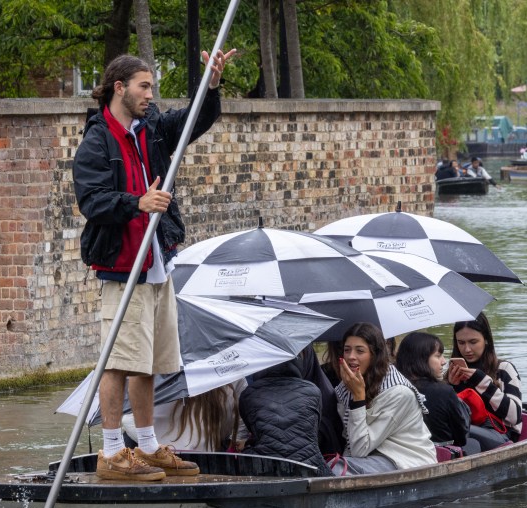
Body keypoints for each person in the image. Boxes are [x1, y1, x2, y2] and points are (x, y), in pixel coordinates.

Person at [73, 49, 237, 481]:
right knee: (118, 361)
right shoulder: (97, 140)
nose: (151, 94)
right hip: (123, 265)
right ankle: (111, 452)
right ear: (119, 87)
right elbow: (92, 201)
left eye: (153, 87)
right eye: (144, 86)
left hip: (158, 259)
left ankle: (145, 446)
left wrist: (212, 85)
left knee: (148, 361)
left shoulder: (151, 131)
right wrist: (138, 202)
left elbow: (193, 121)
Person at [334, 323, 438, 475]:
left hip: (405, 461)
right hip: (369, 459)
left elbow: (359, 449)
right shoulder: (347, 385)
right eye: (347, 350)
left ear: (374, 355)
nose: (351, 357)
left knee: (338, 469)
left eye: (360, 351)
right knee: (330, 465)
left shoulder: (399, 393)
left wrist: (358, 398)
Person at [239, 356, 335, 476]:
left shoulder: (249, 394)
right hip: (311, 466)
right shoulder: (313, 391)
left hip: (264, 467)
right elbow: (313, 429)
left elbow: (252, 429)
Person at [395, 332, 480, 455]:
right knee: (475, 444)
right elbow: (461, 438)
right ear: (421, 359)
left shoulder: (393, 388)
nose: (444, 361)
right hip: (439, 455)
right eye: (438, 356)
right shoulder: (443, 391)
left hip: (404, 454)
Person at [448, 313, 522, 446]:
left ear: (486, 339)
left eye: (473, 342)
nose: (467, 349)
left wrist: (482, 383)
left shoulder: (504, 369)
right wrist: (452, 388)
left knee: (462, 431)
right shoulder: (453, 372)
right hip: (465, 435)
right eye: (461, 343)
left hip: (502, 435)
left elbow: (515, 416)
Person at [123, 381, 246, 452]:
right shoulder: (230, 372)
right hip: (207, 453)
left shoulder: (158, 371)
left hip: (154, 449)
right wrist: (238, 439)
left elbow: (127, 418)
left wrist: (150, 442)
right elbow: (243, 411)